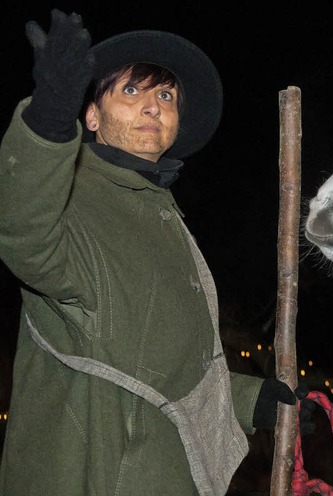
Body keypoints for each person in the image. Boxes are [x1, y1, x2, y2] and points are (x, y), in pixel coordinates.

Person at [0, 9, 312, 496]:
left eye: (165, 95)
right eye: (131, 91)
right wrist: (47, 117)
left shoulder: (163, 220)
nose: (153, 106)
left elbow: (160, 364)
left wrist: (252, 400)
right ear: (91, 116)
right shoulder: (71, 198)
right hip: (95, 476)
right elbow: (22, 230)